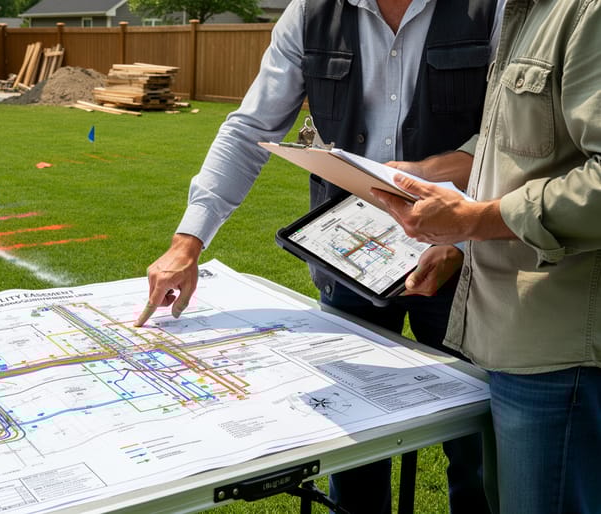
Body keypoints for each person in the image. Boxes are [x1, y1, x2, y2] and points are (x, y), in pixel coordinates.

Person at [134, 0, 505, 512]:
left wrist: (459, 238)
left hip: (466, 262)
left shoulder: (490, 9)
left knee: (478, 447)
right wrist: (188, 240)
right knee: (355, 443)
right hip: (351, 257)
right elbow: (248, 129)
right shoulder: (309, 14)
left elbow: (518, 135)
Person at [368, 1, 601, 513]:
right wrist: (458, 242)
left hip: (559, 354)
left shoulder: (585, 12)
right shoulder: (522, 12)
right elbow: (519, 160)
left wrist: (473, 221)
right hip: (513, 338)